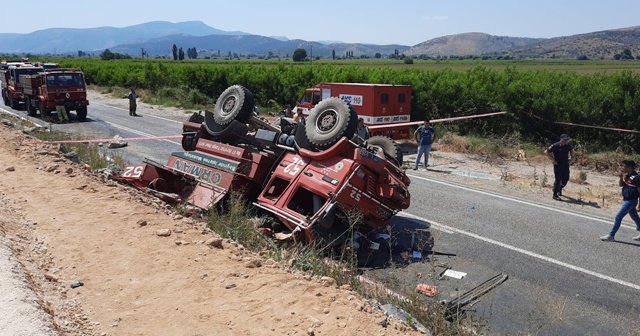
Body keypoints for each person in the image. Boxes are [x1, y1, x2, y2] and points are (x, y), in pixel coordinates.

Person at [600, 160, 640, 242]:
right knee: (635, 217)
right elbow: (621, 185)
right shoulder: (628, 176)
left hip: (630, 201)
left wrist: (639, 205)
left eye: (624, 166)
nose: (622, 168)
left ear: (629, 167)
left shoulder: (636, 177)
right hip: (627, 200)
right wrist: (621, 177)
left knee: (618, 217)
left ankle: (611, 235)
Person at [545, 134, 574, 200]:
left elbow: (571, 151)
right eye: (564, 139)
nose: (566, 141)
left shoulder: (568, 145)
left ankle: (559, 189)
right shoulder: (555, 145)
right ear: (561, 139)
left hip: (565, 164)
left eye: (567, 139)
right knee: (558, 179)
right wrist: (553, 160)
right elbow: (546, 152)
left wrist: (572, 158)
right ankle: (555, 195)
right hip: (558, 164)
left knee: (565, 179)